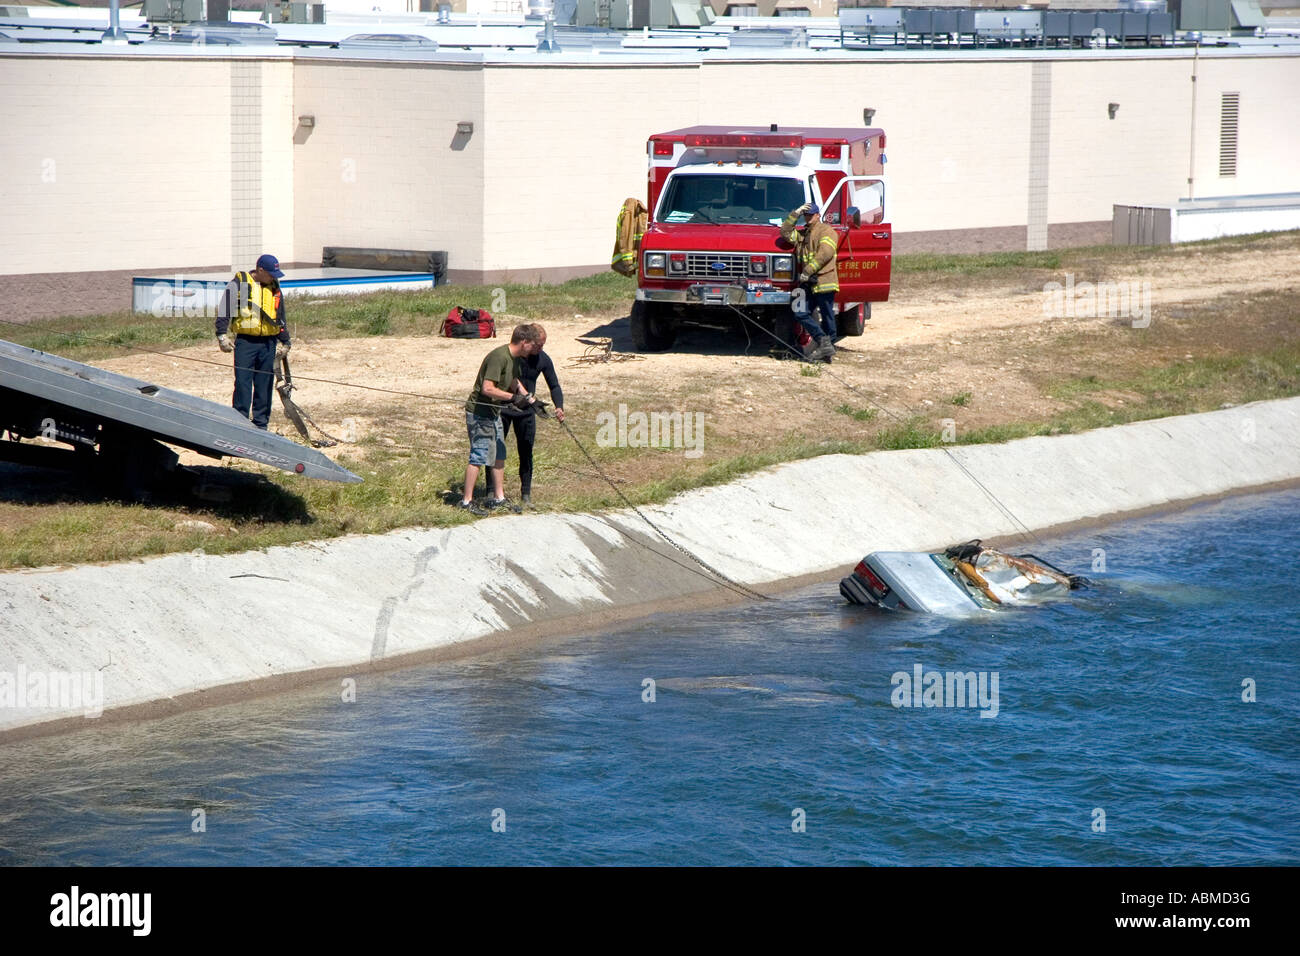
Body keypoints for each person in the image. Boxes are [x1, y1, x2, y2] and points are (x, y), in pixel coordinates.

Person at [461, 324, 544, 513]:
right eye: (533, 345)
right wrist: (512, 398)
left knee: (499, 453)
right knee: (479, 454)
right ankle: (466, 501)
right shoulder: (499, 357)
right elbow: (487, 388)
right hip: (480, 413)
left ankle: (499, 498)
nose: (534, 350)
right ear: (524, 343)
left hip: (494, 413)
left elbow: (514, 381)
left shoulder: (514, 359)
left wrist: (531, 400)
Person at [215, 254, 291, 429]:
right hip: (245, 343)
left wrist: (286, 342)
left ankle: (261, 424)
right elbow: (224, 309)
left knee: (264, 385)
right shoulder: (239, 284)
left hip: (268, 343)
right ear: (260, 270)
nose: (273, 277)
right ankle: (239, 423)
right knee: (242, 383)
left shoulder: (274, 287)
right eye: (271, 273)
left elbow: (280, 317)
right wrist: (221, 335)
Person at [500, 323, 565, 506]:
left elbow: (554, 385)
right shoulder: (513, 357)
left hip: (527, 410)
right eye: (539, 345)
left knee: (526, 450)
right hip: (505, 407)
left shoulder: (543, 359)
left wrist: (559, 406)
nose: (541, 348)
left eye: (543, 345)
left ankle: (526, 494)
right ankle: (492, 492)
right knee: (497, 450)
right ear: (528, 342)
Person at [780, 202, 840, 362]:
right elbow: (785, 233)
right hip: (808, 283)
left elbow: (825, 253)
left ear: (818, 215)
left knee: (828, 318)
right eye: (806, 215)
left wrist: (807, 271)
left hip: (824, 281)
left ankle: (826, 352)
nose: (808, 217)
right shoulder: (803, 234)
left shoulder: (827, 231)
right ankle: (823, 341)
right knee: (800, 313)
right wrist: (795, 213)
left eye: (811, 214)